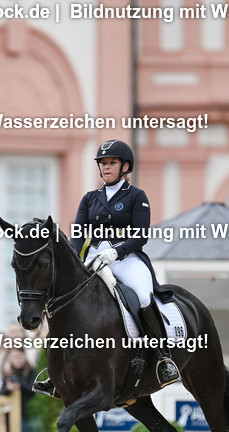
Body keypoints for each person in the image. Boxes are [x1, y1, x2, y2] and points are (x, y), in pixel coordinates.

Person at [34, 138, 178, 397]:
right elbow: (78, 233)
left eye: (112, 163)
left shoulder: (136, 197)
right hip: (94, 258)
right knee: (63, 301)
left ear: (125, 167)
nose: (106, 167)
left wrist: (117, 251)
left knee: (143, 295)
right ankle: (55, 373)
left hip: (127, 258)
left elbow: (141, 235)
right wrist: (77, 258)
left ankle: (162, 358)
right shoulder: (90, 199)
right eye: (103, 163)